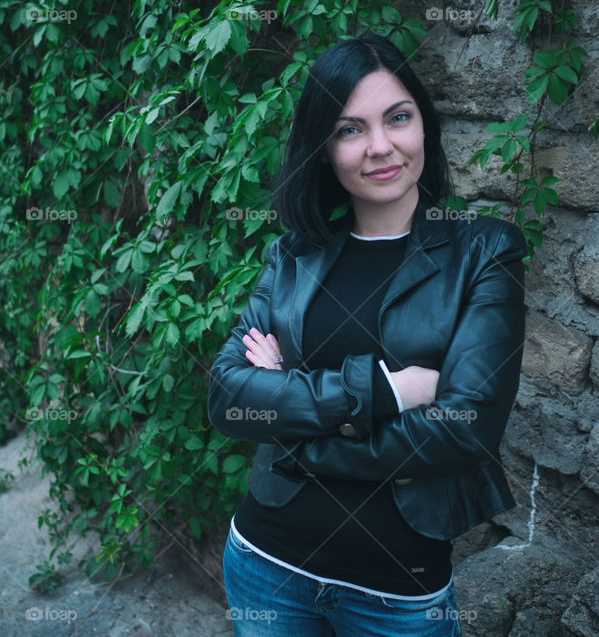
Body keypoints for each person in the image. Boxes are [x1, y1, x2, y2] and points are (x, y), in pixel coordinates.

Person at [207, 32, 528, 637]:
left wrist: (294, 425)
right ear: (324, 148)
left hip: (398, 593)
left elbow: (467, 430)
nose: (381, 147)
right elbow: (229, 398)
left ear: (424, 127)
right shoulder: (293, 256)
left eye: (398, 118)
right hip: (265, 565)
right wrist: (386, 392)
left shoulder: (482, 251)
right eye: (350, 129)